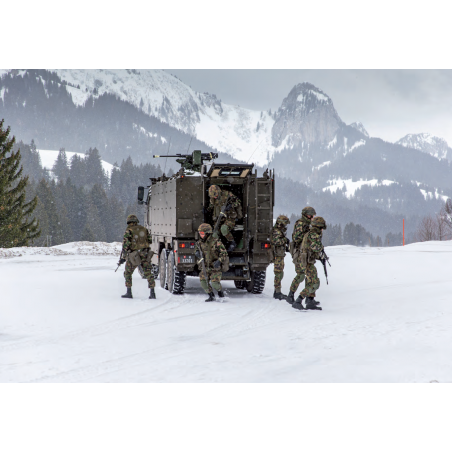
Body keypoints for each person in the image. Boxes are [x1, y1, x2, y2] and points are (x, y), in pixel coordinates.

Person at [292, 216, 327, 311]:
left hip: (306, 261)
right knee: (315, 283)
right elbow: (315, 247)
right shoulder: (314, 235)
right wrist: (321, 247)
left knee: (312, 280)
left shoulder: (310, 233)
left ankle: (310, 300)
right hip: (307, 262)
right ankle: (298, 300)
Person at [120, 214, 156, 299]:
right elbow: (150, 240)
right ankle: (152, 293)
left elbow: (125, 246)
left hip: (134, 255)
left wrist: (123, 258)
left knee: (128, 273)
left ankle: (129, 292)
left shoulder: (129, 231)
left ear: (128, 222)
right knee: (148, 273)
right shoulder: (144, 229)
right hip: (145, 253)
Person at [286, 206, 316, 305]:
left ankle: (310, 297)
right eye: (309, 215)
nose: (311, 217)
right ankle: (290, 295)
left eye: (312, 215)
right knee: (301, 275)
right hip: (299, 253)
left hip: (306, 253)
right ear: (305, 214)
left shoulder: (309, 224)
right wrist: (308, 234)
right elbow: (297, 238)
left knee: (310, 275)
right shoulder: (301, 224)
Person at [195, 223, 229, 302]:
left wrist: (219, 261)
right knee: (203, 283)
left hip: (215, 267)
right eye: (199, 233)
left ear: (207, 233)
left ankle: (220, 293)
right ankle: (211, 295)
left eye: (202, 233)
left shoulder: (216, 242)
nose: (200, 235)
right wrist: (197, 253)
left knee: (215, 284)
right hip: (205, 266)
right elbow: (196, 250)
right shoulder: (200, 243)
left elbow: (224, 253)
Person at [206, 185, 242, 252]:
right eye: (213, 196)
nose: (215, 197)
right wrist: (207, 210)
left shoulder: (227, 194)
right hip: (219, 219)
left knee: (224, 228)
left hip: (229, 218)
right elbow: (211, 206)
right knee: (215, 234)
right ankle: (218, 248)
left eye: (215, 195)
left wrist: (231, 205)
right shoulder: (213, 198)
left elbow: (238, 201)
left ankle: (232, 242)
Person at [271, 215, 290, 300]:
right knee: (278, 273)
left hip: (280, 255)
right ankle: (277, 292)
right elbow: (276, 241)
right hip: (277, 255)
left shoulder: (279, 231)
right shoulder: (276, 231)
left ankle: (277, 291)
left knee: (280, 273)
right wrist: (284, 240)